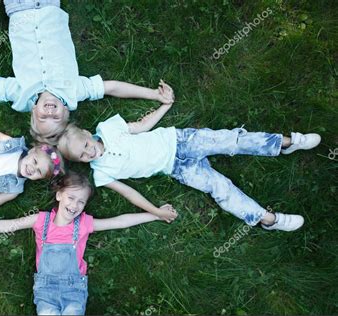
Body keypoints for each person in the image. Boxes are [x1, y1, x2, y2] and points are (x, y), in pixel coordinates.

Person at [56, 84, 322, 231]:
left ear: (89, 133)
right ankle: (267, 219)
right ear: (80, 161)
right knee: (220, 188)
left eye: (87, 144)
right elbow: (129, 194)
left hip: (180, 140)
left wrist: (164, 105)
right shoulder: (102, 174)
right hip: (176, 168)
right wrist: (156, 212)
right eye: (82, 155)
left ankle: (285, 143)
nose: (89, 151)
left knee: (231, 140)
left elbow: (141, 126)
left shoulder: (108, 127)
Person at [0, 1, 173, 144]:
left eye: (43, 117)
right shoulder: (74, 91)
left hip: (17, 8)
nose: (50, 113)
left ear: (33, 110)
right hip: (48, 7)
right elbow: (112, 87)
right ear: (66, 112)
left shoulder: (21, 95)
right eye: (56, 118)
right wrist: (153, 94)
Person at [0, 171, 166, 315]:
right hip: (45, 291)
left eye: (81, 202)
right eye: (71, 198)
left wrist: (155, 215)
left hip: (74, 290)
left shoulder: (83, 224)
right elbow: (8, 225)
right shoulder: (40, 220)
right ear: (60, 195)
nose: (75, 205)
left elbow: (119, 222)